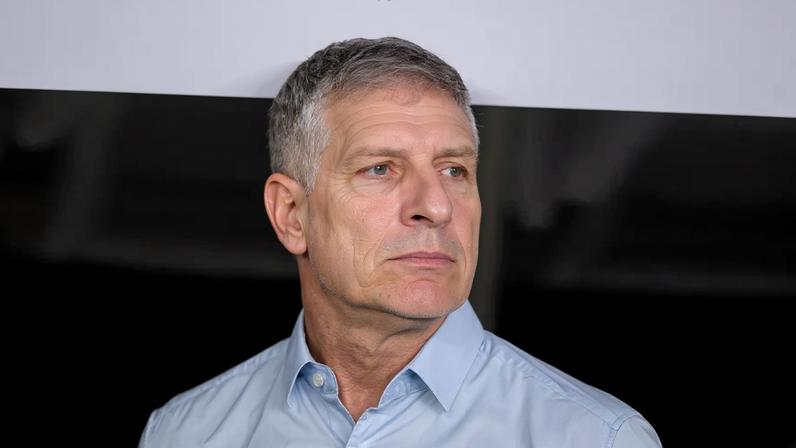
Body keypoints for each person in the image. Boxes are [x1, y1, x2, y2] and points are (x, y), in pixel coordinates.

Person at [138, 37, 662, 447]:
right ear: (292, 215)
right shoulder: (183, 434)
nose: (436, 206)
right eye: (380, 169)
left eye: (454, 169)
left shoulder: (596, 439)